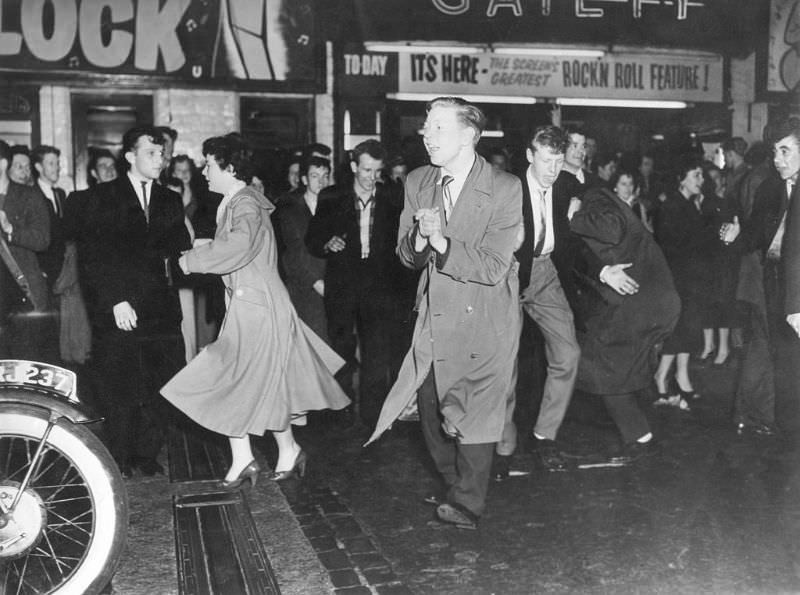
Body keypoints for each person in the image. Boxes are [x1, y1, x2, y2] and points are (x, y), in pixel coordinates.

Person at [366, 96, 522, 530]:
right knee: (430, 403)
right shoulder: (418, 181)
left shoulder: (505, 188)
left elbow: (493, 265)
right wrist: (419, 239)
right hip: (435, 311)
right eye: (425, 127)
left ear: (469, 135)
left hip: (486, 312)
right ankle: (455, 483)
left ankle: (469, 501)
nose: (426, 135)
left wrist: (442, 244)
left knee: (478, 405)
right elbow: (404, 256)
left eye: (437, 128)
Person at [161, 133, 349, 487]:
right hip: (255, 303)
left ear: (230, 168)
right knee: (263, 382)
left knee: (232, 378)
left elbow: (240, 244)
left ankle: (246, 458)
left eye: (210, 165)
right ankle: (283, 450)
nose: (204, 172)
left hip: (256, 307)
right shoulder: (239, 200)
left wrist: (188, 261)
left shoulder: (244, 203)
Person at [77, 125, 189, 478]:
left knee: (162, 383)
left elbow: (177, 254)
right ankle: (121, 457)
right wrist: (115, 300)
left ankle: (146, 453)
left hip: (161, 312)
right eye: (152, 154)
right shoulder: (102, 197)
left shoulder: (170, 200)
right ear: (130, 156)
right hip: (121, 309)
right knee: (120, 386)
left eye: (162, 154)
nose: (161, 160)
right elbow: (93, 258)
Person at [569, 170, 680, 460]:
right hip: (645, 302)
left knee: (604, 371)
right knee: (615, 371)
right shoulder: (613, 202)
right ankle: (640, 437)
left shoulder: (593, 197)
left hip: (635, 304)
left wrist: (572, 217)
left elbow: (610, 228)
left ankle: (641, 439)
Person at [305, 139, 404, 426]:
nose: (372, 177)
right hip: (343, 286)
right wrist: (327, 242)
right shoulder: (331, 197)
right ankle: (342, 408)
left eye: (377, 171)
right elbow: (312, 240)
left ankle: (374, 416)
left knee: (377, 352)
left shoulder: (391, 198)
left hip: (378, 287)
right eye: (366, 170)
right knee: (341, 349)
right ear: (353, 167)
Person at [514, 125, 582, 470]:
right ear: (530, 156)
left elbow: (594, 193)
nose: (553, 170)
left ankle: (545, 436)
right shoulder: (509, 187)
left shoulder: (566, 184)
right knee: (503, 363)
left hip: (545, 274)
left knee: (568, 354)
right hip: (508, 276)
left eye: (559, 161)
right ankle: (498, 445)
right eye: (546, 161)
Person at [653, 155, 724, 409]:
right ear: (681, 180)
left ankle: (681, 376)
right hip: (678, 279)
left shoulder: (692, 204)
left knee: (688, 330)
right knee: (679, 330)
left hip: (692, 279)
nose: (701, 180)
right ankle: (662, 376)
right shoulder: (672, 206)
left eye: (701, 176)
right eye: (696, 175)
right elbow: (675, 245)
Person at [0, 140, 50, 358]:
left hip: (23, 295)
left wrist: (10, 229)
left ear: (2, 164)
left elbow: (43, 239)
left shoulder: (28, 196)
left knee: (24, 362)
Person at [275, 156, 331, 340]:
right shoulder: (290, 211)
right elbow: (293, 255)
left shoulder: (336, 208)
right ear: (305, 179)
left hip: (331, 286)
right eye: (315, 176)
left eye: (325, 176)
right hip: (305, 288)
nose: (321, 181)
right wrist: (316, 283)